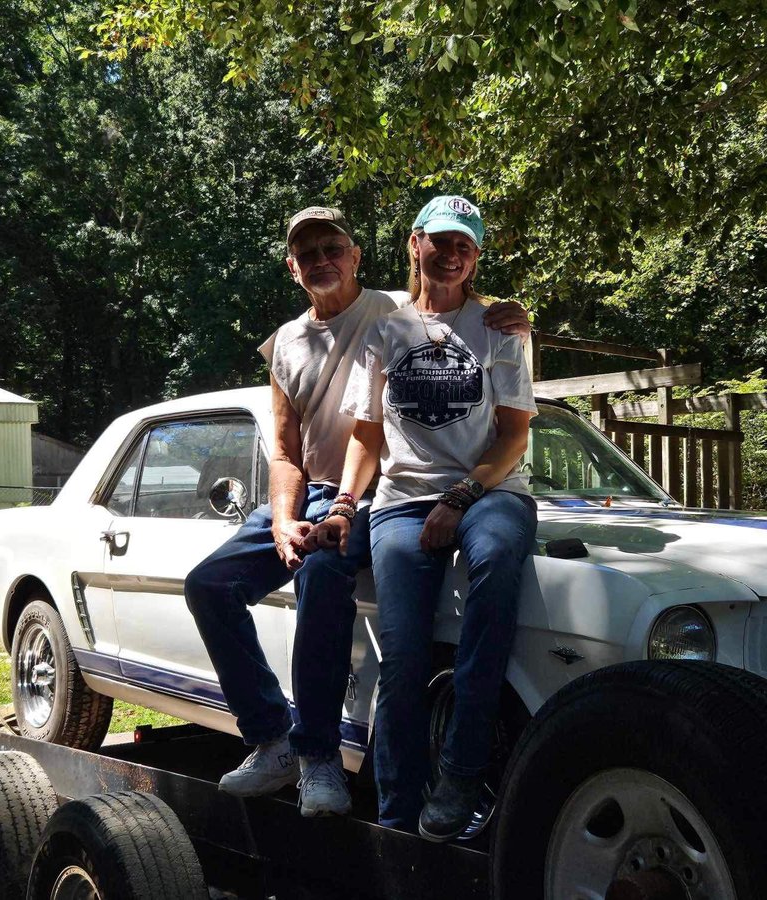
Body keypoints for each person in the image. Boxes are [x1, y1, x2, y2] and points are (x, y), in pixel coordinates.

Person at [183, 205, 530, 817]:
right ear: (293, 268)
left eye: (332, 249)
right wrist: (287, 519)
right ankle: (271, 738)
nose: (322, 261)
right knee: (209, 584)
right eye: (307, 254)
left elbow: (461, 309)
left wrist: (523, 317)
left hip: (375, 496)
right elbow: (286, 454)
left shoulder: (390, 309)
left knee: (322, 574)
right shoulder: (286, 344)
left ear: (357, 257)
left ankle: (320, 759)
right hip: (323, 492)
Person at [309, 196, 538, 840]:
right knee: (405, 662)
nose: (452, 253)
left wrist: (459, 498)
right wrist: (346, 505)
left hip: (491, 492)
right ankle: (395, 818)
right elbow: (366, 435)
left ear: (476, 256)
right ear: (415, 245)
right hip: (403, 503)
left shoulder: (501, 328)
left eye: (465, 244)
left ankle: (463, 772)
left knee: (494, 559)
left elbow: (513, 438)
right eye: (440, 241)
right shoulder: (386, 330)